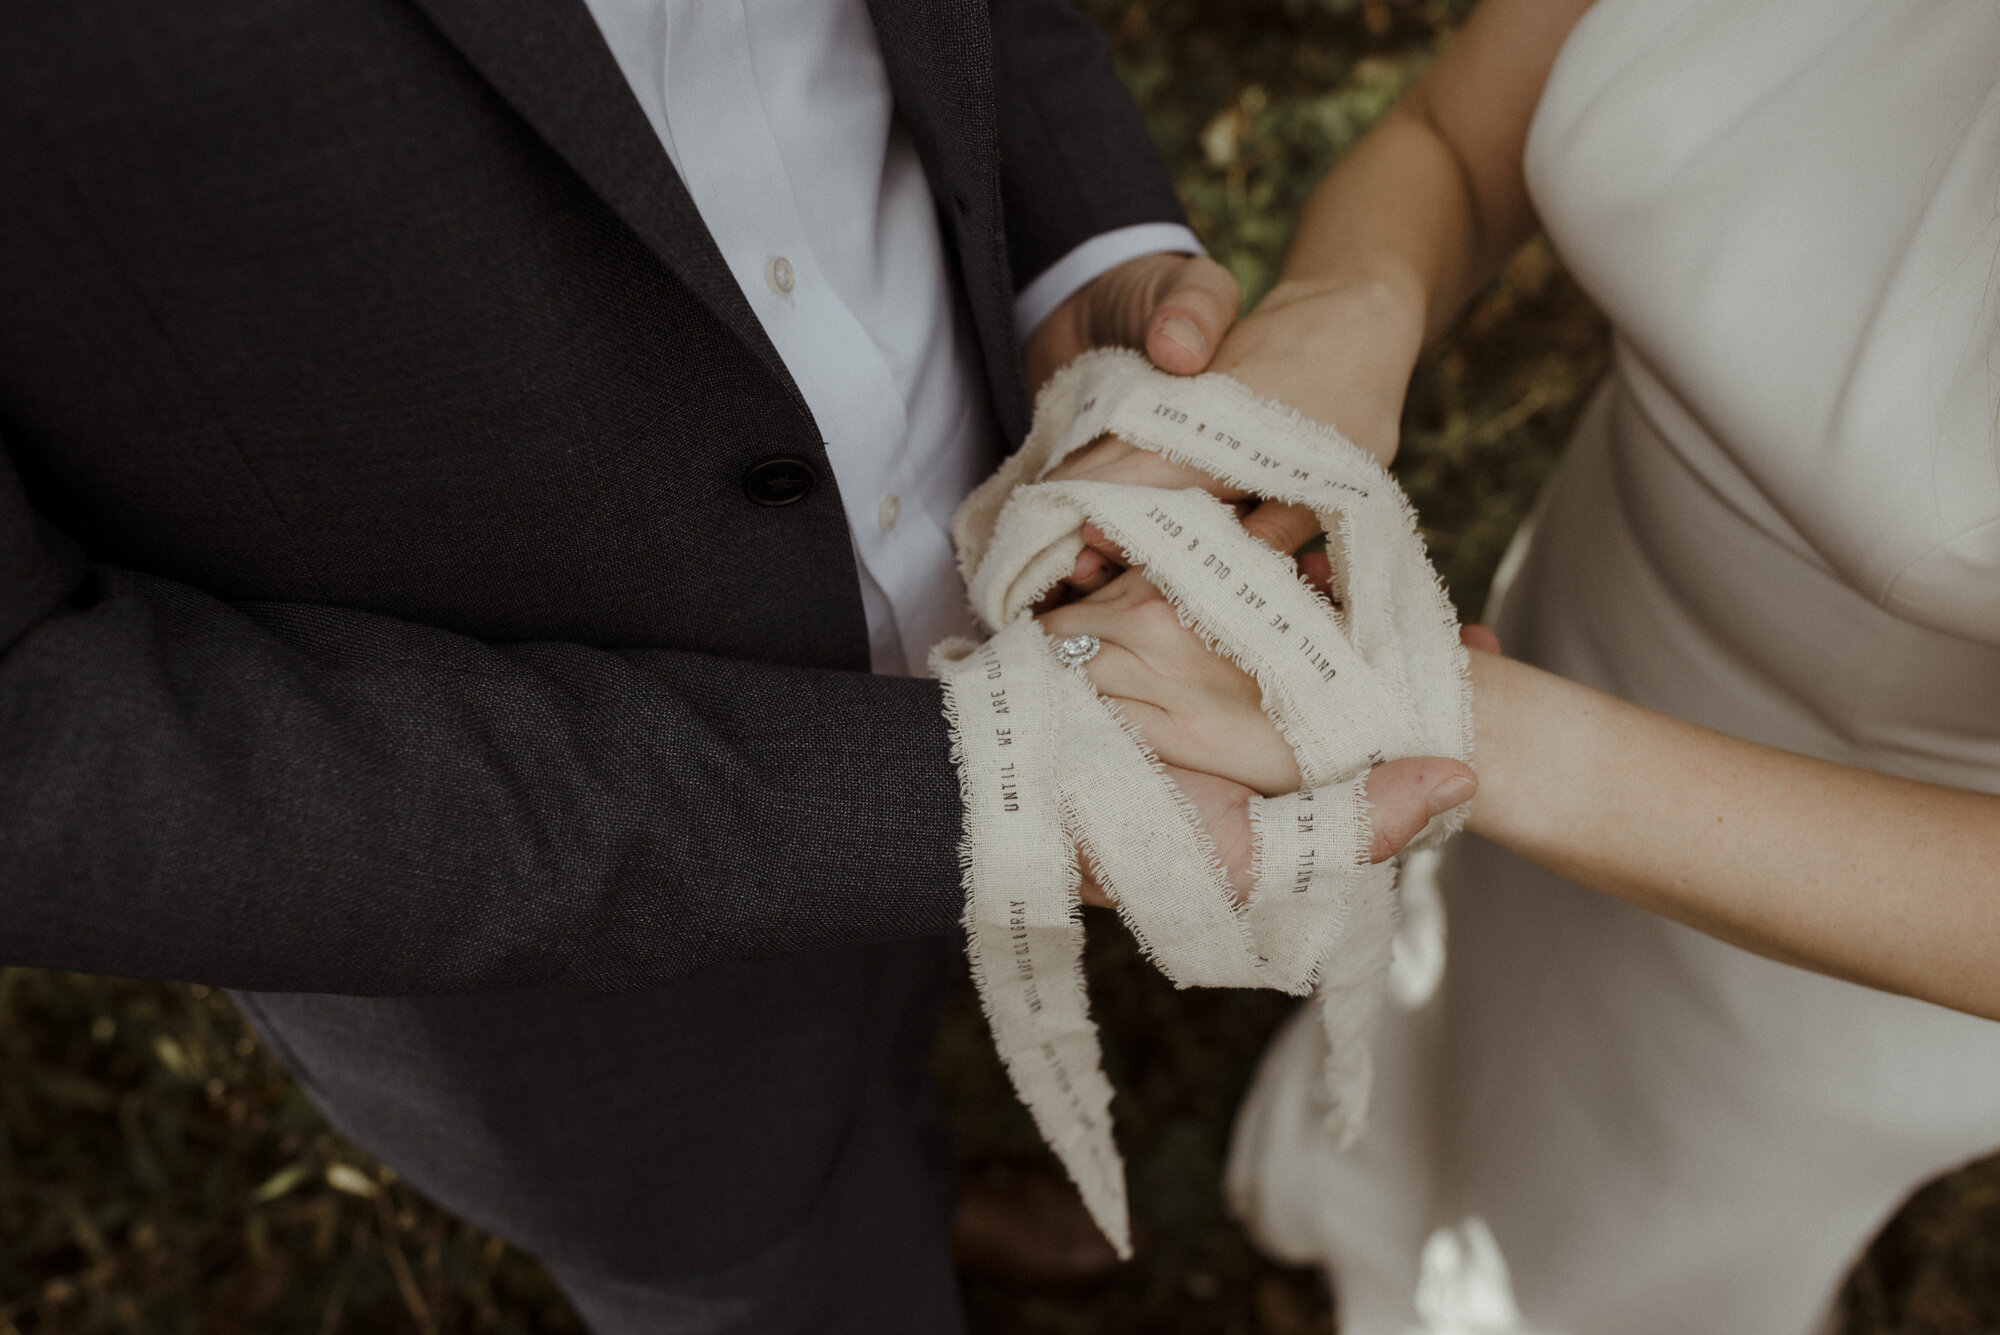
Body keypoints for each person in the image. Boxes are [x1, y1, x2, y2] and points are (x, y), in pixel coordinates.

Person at [0, 1, 1299, 1328]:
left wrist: (1076, 231)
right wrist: (960, 796)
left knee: (903, 1057)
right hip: (567, 952)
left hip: (1002, 540)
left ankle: (906, 1167)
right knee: (773, 1267)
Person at [1037, 0, 2000, 1329]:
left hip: (1843, 922)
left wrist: (1457, 724)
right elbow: (1457, 133)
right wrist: (1350, 308)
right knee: (1471, 1004)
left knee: (1617, 1231)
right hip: (1589, 609)